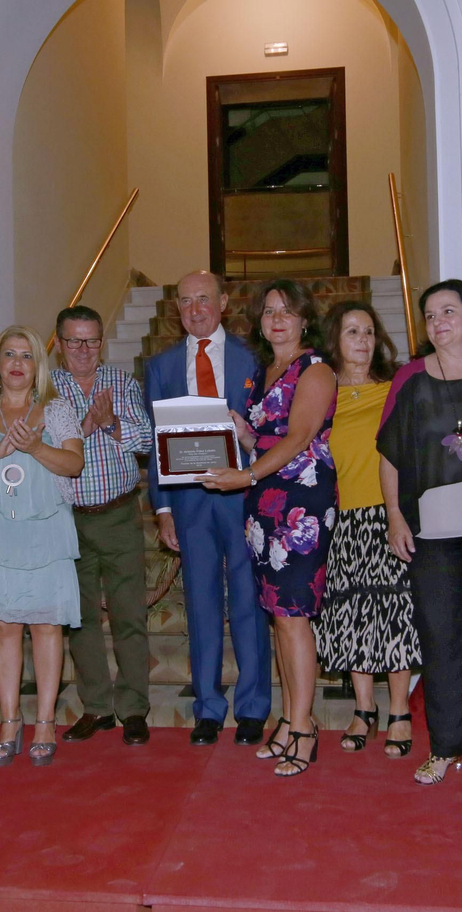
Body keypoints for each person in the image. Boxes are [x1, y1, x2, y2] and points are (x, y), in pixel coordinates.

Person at [203, 279, 336, 777]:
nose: (277, 319)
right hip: (264, 504)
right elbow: (267, 435)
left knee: (295, 616)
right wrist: (242, 433)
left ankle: (303, 727)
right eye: (269, 312)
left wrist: (247, 473)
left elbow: (300, 435)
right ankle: (289, 718)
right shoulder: (264, 372)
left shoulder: (315, 369)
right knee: (278, 616)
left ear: (305, 319)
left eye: (287, 310)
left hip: (300, 503)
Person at [376, 280, 462, 785]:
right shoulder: (410, 378)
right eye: (430, 315)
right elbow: (389, 452)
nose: (438, 322)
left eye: (449, 311)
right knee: (439, 633)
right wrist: (394, 515)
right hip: (431, 529)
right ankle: (444, 743)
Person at [0, 326, 84, 768]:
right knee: (3, 626)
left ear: (37, 366)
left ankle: (44, 722)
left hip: (45, 533)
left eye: (26, 355)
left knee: (46, 626)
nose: (18, 363)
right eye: (9, 354)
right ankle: (9, 720)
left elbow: (74, 462)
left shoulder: (57, 410)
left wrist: (35, 446)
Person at [144, 271, 272, 747]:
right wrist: (161, 510)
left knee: (248, 604)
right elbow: (156, 441)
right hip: (189, 502)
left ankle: (254, 707)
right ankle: (208, 709)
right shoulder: (159, 367)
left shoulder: (253, 359)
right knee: (199, 605)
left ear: (222, 302)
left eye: (203, 298)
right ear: (177, 309)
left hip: (242, 496)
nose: (194, 308)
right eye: (184, 301)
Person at [311, 300, 421, 757]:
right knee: (351, 616)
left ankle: (398, 710)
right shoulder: (321, 392)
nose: (363, 340)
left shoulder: (396, 387)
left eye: (370, 332)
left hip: (388, 514)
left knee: (394, 614)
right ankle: (363, 709)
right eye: (352, 331)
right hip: (341, 519)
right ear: (335, 338)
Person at [51, 306, 155, 747]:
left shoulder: (123, 383)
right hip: (66, 519)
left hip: (117, 514)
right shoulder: (44, 388)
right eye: (74, 341)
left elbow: (147, 440)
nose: (83, 351)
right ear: (58, 344)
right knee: (79, 619)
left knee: (130, 614)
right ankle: (96, 707)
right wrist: (84, 426)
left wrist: (109, 422)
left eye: (91, 341)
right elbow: (43, 442)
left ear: (102, 342)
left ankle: (133, 708)